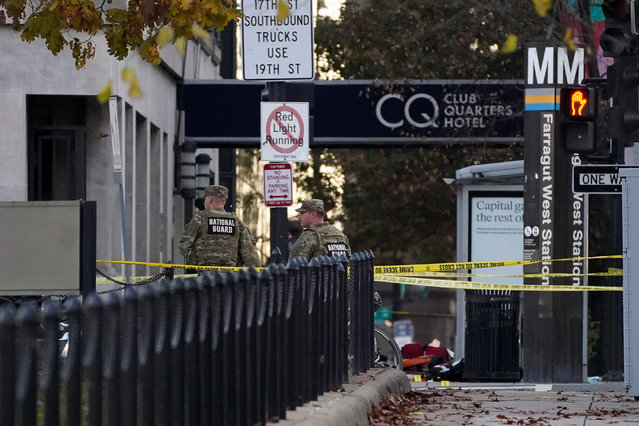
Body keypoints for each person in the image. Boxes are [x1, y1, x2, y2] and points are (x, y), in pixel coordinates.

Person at [179, 185, 261, 267]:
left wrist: (195, 261)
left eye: (205, 199)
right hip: (229, 275)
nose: (204, 202)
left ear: (210, 199)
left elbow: (184, 245)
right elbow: (251, 256)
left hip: (206, 275)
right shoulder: (236, 222)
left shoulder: (200, 218)